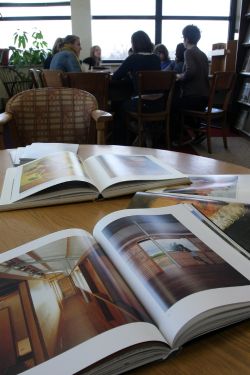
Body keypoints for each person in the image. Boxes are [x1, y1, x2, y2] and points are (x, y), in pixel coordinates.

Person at [111, 30, 161, 145]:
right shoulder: (156, 58)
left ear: (134, 44)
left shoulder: (133, 58)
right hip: (159, 104)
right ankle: (144, 130)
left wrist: (130, 74)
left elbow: (116, 77)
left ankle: (123, 142)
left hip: (141, 104)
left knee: (118, 106)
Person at [171, 25, 209, 144]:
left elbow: (190, 71)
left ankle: (175, 139)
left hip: (194, 97)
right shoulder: (202, 54)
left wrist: (179, 76)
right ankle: (195, 132)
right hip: (204, 97)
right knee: (178, 104)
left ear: (186, 38)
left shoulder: (188, 52)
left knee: (171, 105)